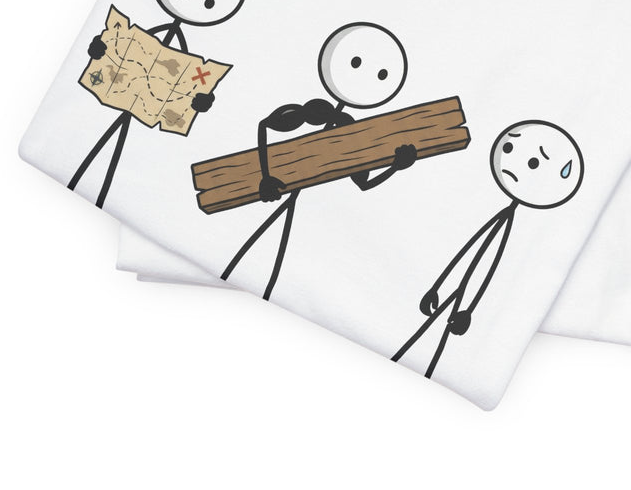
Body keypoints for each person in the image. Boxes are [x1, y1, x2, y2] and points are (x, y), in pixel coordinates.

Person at [220, 22, 418, 299]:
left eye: (382, 75)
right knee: (248, 259)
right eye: (355, 63)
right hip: (276, 196)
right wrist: (265, 177)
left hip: (319, 236)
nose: (362, 78)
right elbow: (266, 124)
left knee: (267, 266)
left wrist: (395, 166)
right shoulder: (317, 111)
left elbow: (363, 183)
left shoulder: (351, 132)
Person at [393, 120, 583, 378]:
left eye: (533, 163)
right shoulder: (503, 219)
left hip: (463, 298)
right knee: (428, 338)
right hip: (457, 294)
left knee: (437, 342)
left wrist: (468, 310)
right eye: (509, 148)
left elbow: (487, 267)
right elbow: (468, 254)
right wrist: (437, 289)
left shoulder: (509, 224)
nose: (513, 161)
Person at [69, 0, 247, 208]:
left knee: (119, 152)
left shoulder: (188, 59)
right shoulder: (142, 36)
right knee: (103, 142)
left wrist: (202, 101)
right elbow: (114, 44)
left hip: (149, 109)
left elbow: (196, 89)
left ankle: (95, 188)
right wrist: (98, 49)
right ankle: (84, 181)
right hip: (121, 93)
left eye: (209, 3)